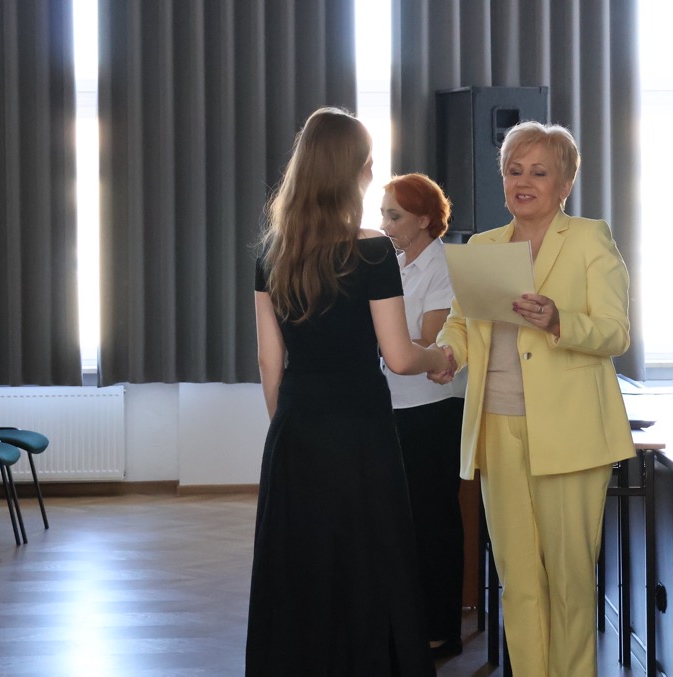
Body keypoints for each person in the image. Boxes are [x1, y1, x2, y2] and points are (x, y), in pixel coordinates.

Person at [246, 107, 453, 677]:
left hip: (296, 427)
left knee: (302, 562)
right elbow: (401, 356)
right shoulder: (373, 251)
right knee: (368, 559)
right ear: (357, 172)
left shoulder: (272, 252)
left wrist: (288, 426)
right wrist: (442, 358)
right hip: (361, 429)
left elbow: (270, 363)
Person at [432, 121, 634, 677]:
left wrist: (560, 321)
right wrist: (447, 353)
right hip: (496, 426)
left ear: (564, 183)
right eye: (514, 170)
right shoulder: (482, 246)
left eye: (539, 172)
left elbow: (616, 332)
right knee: (517, 582)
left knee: (570, 582)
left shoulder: (590, 238)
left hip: (571, 432)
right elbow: (461, 323)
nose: (523, 182)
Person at [379, 173, 467, 659]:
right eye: (383, 214)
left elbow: (432, 341)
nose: (385, 224)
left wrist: (382, 342)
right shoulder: (392, 264)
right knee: (402, 522)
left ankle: (441, 628)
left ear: (424, 219)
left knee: (434, 519)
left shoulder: (443, 265)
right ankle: (407, 624)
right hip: (394, 403)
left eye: (394, 216)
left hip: (433, 408)